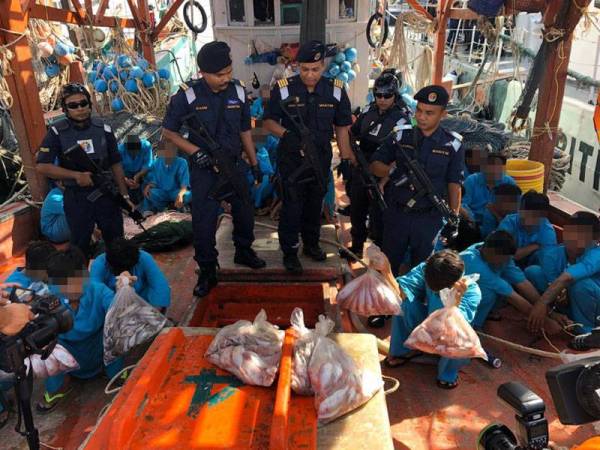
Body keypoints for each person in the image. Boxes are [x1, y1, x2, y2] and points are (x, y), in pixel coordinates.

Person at [162, 41, 266, 297]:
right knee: (204, 222)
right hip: (205, 169)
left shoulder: (239, 92)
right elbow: (169, 132)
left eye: (229, 71)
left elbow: (245, 131)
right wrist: (195, 151)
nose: (226, 78)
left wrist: (254, 163)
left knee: (245, 212)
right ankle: (208, 270)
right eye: (220, 75)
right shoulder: (186, 96)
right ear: (202, 73)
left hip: (234, 164)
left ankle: (244, 251)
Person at [263, 40, 354, 274]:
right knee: (292, 206)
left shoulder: (335, 89)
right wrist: (287, 135)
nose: (310, 75)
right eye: (304, 69)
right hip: (291, 158)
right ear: (297, 66)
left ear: (323, 66)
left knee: (315, 204)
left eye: (315, 69)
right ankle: (290, 252)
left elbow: (342, 127)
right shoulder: (283, 88)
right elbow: (268, 121)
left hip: (320, 157)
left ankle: (311, 245)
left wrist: (345, 158)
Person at [370, 85, 464, 275]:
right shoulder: (400, 134)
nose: (421, 117)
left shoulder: (453, 144)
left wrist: (454, 217)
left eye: (429, 113)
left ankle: (411, 303)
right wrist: (392, 171)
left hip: (429, 218)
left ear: (443, 114)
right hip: (397, 214)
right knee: (387, 266)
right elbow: (374, 166)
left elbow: (454, 183)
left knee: (422, 271)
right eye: (419, 111)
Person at [36, 83, 132, 257]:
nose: (80, 108)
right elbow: (42, 166)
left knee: (117, 243)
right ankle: (80, 283)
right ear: (65, 109)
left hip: (106, 194)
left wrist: (124, 196)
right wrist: (75, 175)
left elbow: (116, 163)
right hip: (77, 197)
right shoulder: (56, 132)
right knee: (79, 246)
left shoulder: (104, 128)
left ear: (89, 104)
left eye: (83, 103)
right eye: (73, 105)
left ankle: (120, 279)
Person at [37, 247, 123, 412]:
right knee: (44, 345)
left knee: (118, 329)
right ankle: (58, 387)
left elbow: (119, 311)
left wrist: (124, 291)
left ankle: (116, 374)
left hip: (97, 347)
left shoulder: (99, 290)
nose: (71, 289)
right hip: (66, 352)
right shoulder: (49, 296)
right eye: (63, 284)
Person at [384, 250, 482, 389]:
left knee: (459, 336)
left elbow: (459, 326)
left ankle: (447, 373)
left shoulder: (472, 292)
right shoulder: (427, 269)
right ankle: (403, 351)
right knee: (403, 305)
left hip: (449, 329)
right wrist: (386, 270)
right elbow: (401, 293)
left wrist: (454, 304)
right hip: (429, 323)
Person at [346, 70, 410, 257]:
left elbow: (402, 153)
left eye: (387, 95)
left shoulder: (402, 118)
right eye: (378, 95)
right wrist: (353, 156)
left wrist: (386, 177)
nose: (382, 99)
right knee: (357, 209)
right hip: (361, 164)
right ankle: (356, 247)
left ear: (395, 95)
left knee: (379, 216)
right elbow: (353, 133)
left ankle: (378, 255)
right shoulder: (368, 110)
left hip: (382, 170)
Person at [461, 231, 564, 333]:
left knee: (499, 287)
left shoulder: (498, 253)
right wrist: (545, 322)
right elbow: (511, 296)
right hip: (460, 300)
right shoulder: (476, 265)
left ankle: (487, 312)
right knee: (490, 293)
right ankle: (474, 325)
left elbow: (522, 282)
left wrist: (548, 311)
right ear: (491, 252)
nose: (506, 262)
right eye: (504, 259)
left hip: (485, 286)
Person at [527, 211, 600, 334]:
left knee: (581, 285)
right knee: (533, 272)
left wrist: (541, 304)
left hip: (594, 308)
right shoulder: (552, 255)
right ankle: (560, 318)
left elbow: (567, 277)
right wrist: (551, 312)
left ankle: (586, 332)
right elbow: (553, 285)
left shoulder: (596, 255)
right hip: (565, 302)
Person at [90, 237, 171, 310]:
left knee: (159, 292)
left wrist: (153, 314)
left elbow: (159, 284)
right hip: (112, 302)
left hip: (141, 299)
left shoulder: (143, 257)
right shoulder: (99, 264)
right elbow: (94, 292)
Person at [497, 190, 557, 265]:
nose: (524, 216)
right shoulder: (509, 222)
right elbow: (501, 254)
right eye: (523, 210)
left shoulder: (548, 232)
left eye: (532, 215)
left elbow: (548, 262)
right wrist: (535, 246)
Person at [461, 153, 516, 228]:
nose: (494, 170)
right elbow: (462, 204)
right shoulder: (471, 180)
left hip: (500, 222)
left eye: (498, 167)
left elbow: (515, 207)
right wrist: (470, 219)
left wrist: (497, 215)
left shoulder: (509, 182)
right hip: (474, 221)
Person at [141, 139, 192, 213]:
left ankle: (179, 206)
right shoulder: (157, 162)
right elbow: (154, 181)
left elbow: (185, 183)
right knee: (151, 193)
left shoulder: (182, 162)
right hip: (162, 192)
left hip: (176, 191)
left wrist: (180, 195)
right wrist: (148, 186)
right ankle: (163, 209)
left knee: (189, 195)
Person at [118, 135, 154, 205]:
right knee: (122, 186)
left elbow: (148, 164)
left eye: (137, 150)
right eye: (132, 152)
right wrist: (125, 180)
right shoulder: (119, 150)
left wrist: (138, 175)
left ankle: (147, 193)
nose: (136, 153)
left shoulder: (146, 145)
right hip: (126, 173)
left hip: (142, 171)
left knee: (151, 176)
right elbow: (118, 169)